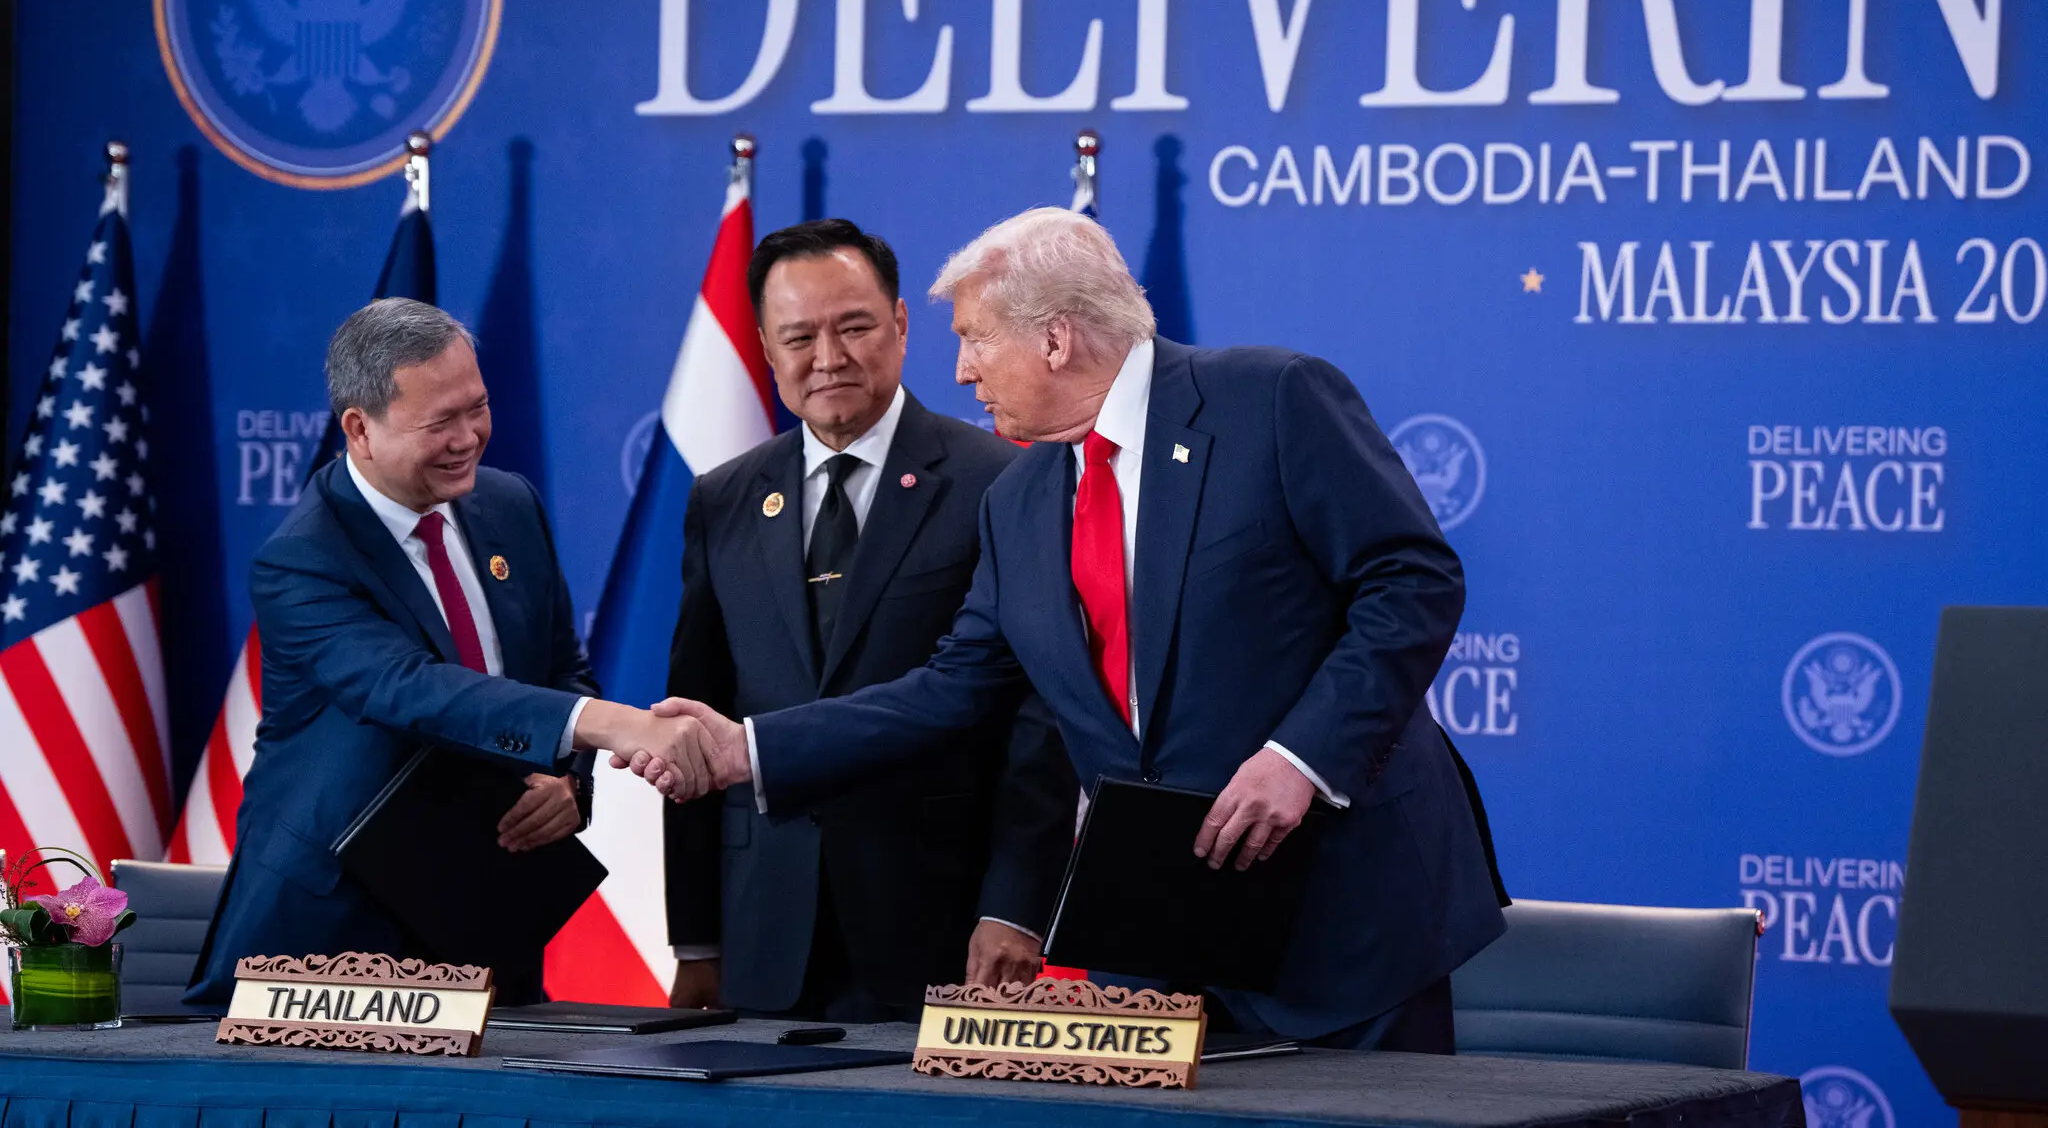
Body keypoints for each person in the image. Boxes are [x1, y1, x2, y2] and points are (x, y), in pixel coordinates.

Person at [631, 208, 1506, 1050]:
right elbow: (949, 689)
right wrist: (749, 748)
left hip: (1346, 914)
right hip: (1162, 940)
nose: (962, 372)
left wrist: (1300, 757)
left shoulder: (1269, 399)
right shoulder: (1017, 498)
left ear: (1054, 338)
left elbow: (1412, 579)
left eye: (975, 339)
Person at [188, 299, 720, 1006]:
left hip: (486, 904)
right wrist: (616, 725)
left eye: (478, 407)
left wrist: (569, 782)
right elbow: (411, 687)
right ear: (360, 429)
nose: (468, 438)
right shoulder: (303, 559)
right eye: (440, 422)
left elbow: (560, 668)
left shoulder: (509, 505)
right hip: (338, 932)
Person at [665, 219, 1075, 1022]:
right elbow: (697, 720)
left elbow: (1040, 716)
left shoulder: (1003, 480)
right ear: (765, 347)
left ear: (901, 323)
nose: (829, 357)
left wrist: (1016, 904)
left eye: (853, 327)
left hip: (939, 919)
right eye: (799, 337)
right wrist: (696, 940)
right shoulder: (723, 498)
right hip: (762, 927)